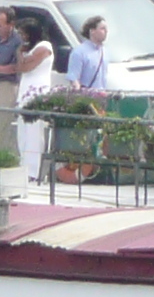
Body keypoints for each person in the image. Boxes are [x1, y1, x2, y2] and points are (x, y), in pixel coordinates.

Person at [7, 15, 61, 179]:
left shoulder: (44, 46)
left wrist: (20, 54)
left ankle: (33, 170)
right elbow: (20, 66)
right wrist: (20, 53)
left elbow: (26, 67)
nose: (22, 37)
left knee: (34, 132)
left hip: (37, 93)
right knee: (22, 131)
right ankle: (23, 165)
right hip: (25, 92)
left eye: (24, 33)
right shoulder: (27, 49)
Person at [69, 15, 112, 105]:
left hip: (102, 98)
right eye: (102, 29)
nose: (106, 31)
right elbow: (73, 78)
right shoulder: (79, 52)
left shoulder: (104, 51)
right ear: (92, 31)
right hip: (87, 100)